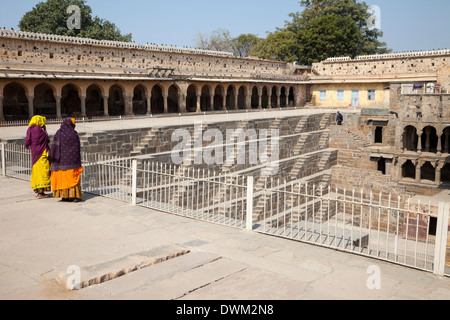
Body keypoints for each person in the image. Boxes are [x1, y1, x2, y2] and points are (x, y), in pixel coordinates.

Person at [49, 118, 84, 202]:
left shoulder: (58, 133)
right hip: (72, 161)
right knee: (71, 178)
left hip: (60, 162)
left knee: (63, 178)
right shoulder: (74, 133)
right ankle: (75, 196)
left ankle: (64, 196)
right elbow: (77, 148)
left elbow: (54, 146)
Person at [25, 115, 51, 199]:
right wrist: (45, 129)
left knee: (37, 173)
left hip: (35, 154)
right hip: (42, 153)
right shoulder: (39, 130)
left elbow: (28, 141)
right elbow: (47, 139)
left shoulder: (30, 129)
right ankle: (41, 193)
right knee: (43, 172)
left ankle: (39, 191)